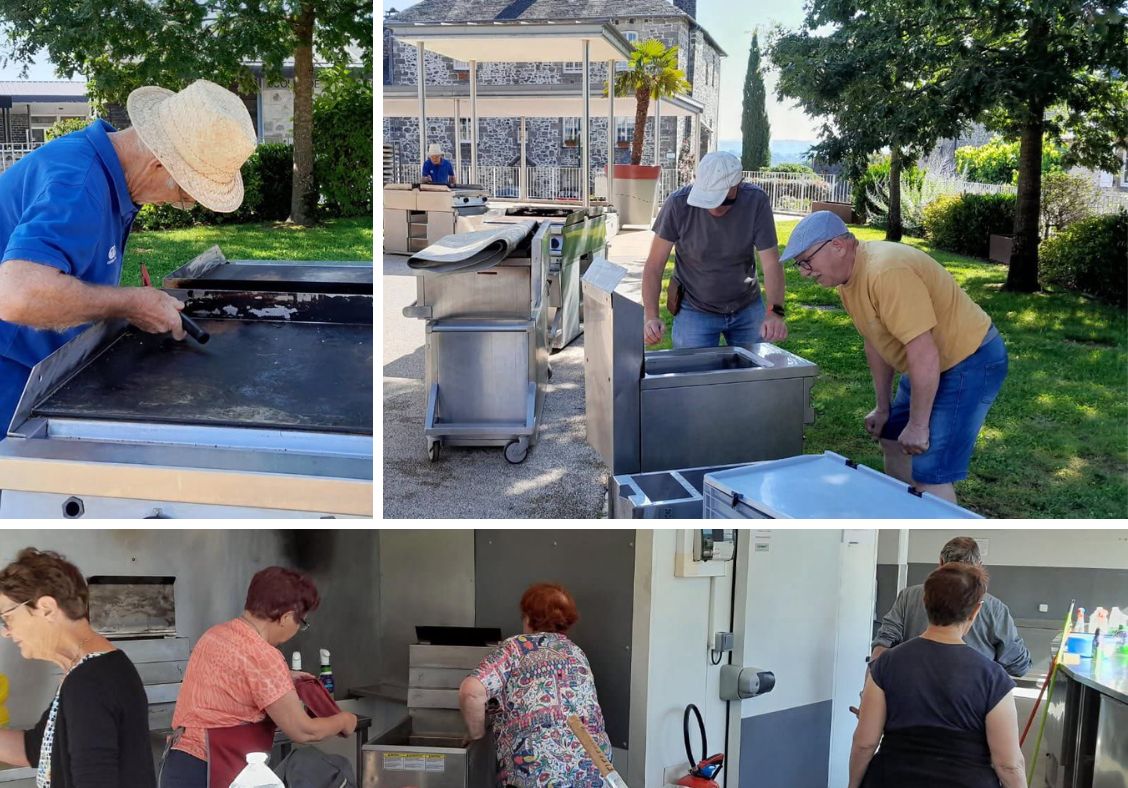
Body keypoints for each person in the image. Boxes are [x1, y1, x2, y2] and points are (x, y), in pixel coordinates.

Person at [0, 79, 257, 437]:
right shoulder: (79, 185)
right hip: (10, 382)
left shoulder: (105, 170)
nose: (180, 204)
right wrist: (130, 303)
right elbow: (17, 297)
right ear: (156, 164)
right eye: (185, 193)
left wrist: (128, 305)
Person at [781, 211, 1008, 504]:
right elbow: (877, 342)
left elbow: (923, 350)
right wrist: (883, 407)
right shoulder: (848, 281)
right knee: (892, 437)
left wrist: (918, 424)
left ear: (837, 246)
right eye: (800, 265)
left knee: (930, 468)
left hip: (970, 359)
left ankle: (940, 539)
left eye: (806, 261)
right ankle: (905, 510)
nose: (804, 272)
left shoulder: (886, 273)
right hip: (929, 363)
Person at [159, 567, 357, 788]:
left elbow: (234, 678)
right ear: (287, 617)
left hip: (177, 766)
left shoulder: (215, 635)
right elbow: (304, 730)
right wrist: (345, 720)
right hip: (211, 773)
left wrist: (284, 677)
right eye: (301, 623)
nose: (296, 629)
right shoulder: (263, 656)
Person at [849, 563, 1027, 788]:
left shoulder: (886, 664)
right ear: (976, 610)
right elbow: (1008, 764)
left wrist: (853, 785)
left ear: (925, 602)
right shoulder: (993, 677)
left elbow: (865, 743)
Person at [0, 547, 156, 787]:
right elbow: (36, 748)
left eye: (7, 617)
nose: (6, 632)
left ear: (47, 609)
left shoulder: (89, 682)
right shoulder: (92, 670)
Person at [459, 583, 611, 788]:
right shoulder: (575, 652)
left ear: (528, 618)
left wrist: (476, 734)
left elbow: (471, 692)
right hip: (594, 770)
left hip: (538, 773)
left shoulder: (516, 648)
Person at [642, 150, 787, 350]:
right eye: (707, 199)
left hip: (746, 306)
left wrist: (775, 312)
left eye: (722, 200)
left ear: (737, 186)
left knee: (754, 376)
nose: (715, 209)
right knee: (693, 377)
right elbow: (654, 266)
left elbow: (771, 263)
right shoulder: (677, 205)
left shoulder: (756, 202)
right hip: (694, 308)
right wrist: (651, 316)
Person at [872, 536, 1031, 676]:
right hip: (971, 696)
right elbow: (1018, 665)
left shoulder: (909, 596)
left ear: (941, 562)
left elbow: (883, 644)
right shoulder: (995, 608)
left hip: (910, 691)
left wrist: (870, 691)